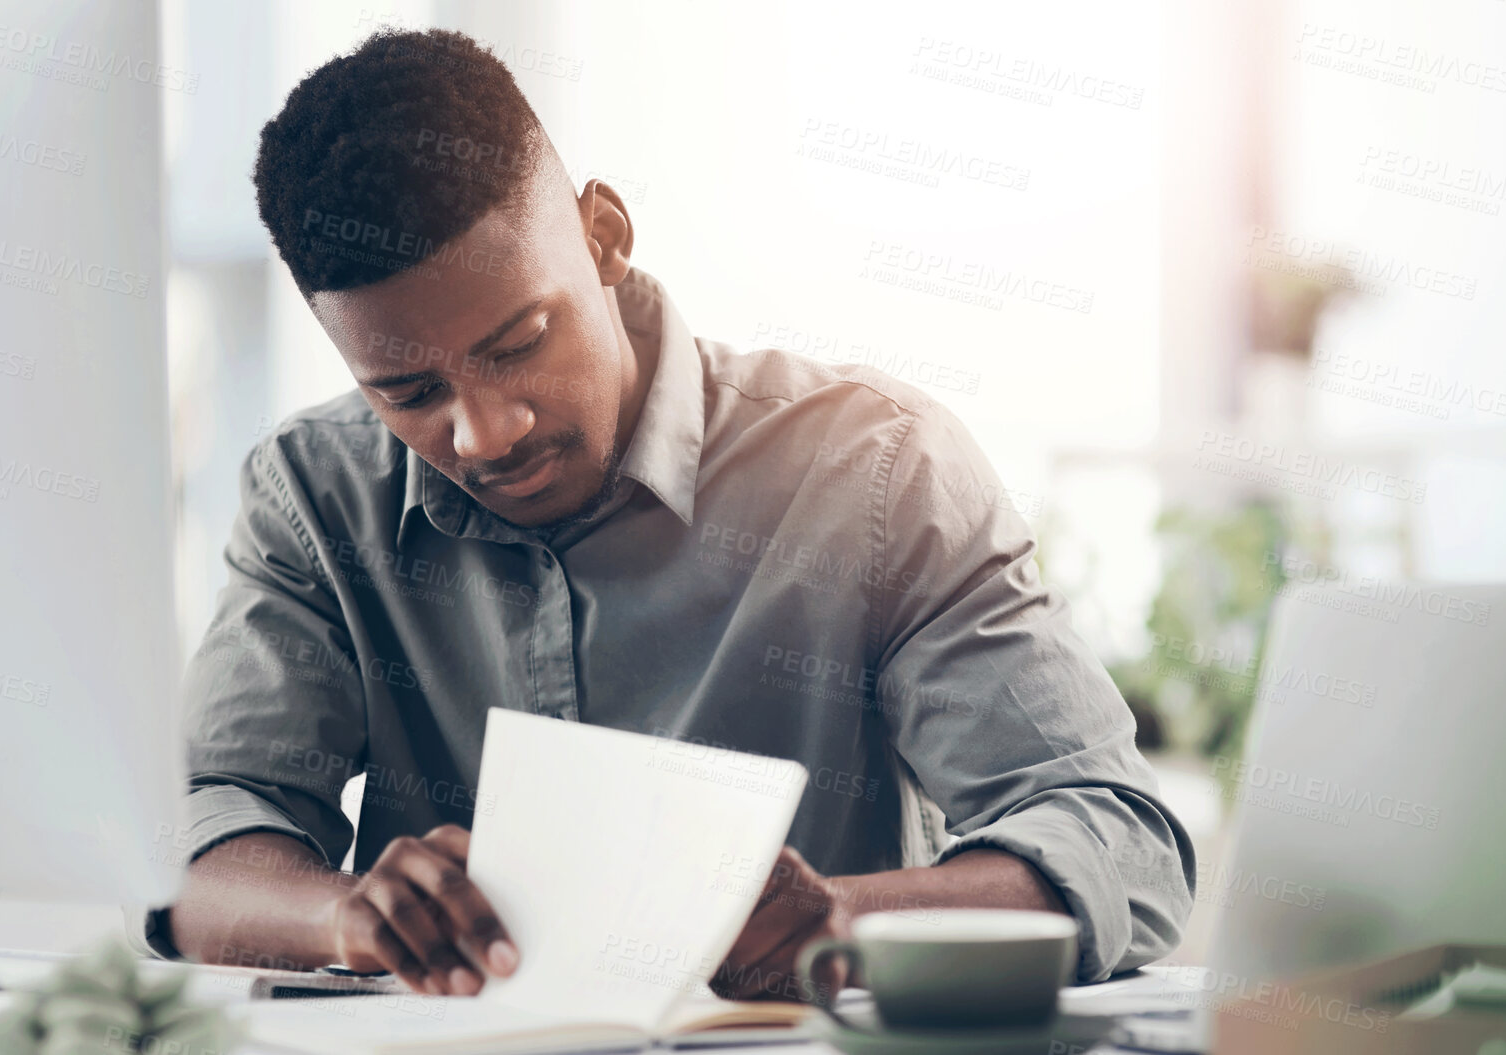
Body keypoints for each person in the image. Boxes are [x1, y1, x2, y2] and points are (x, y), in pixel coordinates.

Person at [150, 27, 1193, 1001]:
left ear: (604, 234)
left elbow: (1116, 836)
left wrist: (844, 918)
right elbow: (196, 844)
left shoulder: (878, 470)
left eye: (518, 342)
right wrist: (346, 915)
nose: (484, 433)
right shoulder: (313, 493)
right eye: (409, 392)